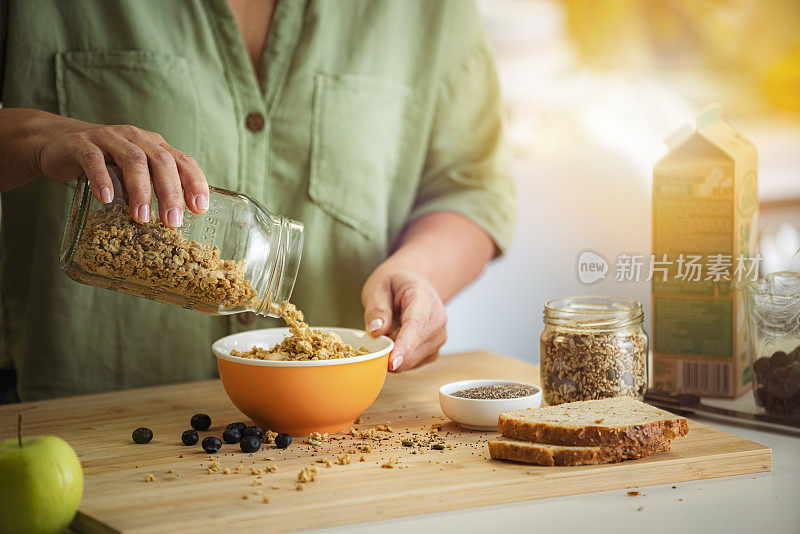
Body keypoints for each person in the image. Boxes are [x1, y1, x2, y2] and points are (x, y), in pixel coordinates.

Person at [0, 0, 515, 401]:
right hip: (87, 426)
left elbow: (468, 184)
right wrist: (40, 137)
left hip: (335, 435)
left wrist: (419, 269)